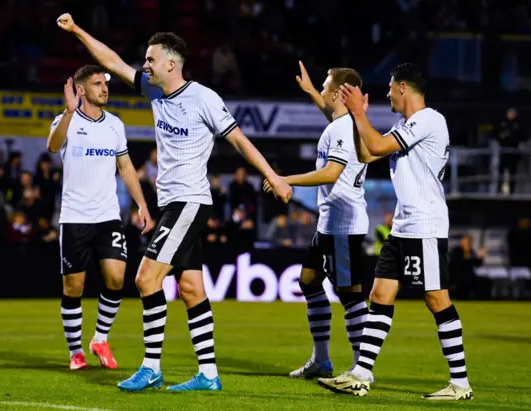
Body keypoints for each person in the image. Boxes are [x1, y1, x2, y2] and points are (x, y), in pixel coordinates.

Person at [57, 13, 292, 392]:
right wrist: (78, 31)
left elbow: (239, 141)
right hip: (172, 205)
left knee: (145, 278)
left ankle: (151, 367)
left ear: (170, 63)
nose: (144, 65)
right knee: (193, 290)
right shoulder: (154, 92)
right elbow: (111, 62)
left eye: (150, 59)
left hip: (190, 202)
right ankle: (209, 375)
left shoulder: (203, 98)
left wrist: (273, 176)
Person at [318, 63, 474, 401]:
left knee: (436, 299)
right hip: (403, 227)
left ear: (403, 87)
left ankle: (460, 383)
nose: (387, 94)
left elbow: (374, 145)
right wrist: (357, 118)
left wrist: (359, 113)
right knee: (380, 296)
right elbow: (367, 151)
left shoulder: (429, 120)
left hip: (425, 225)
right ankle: (361, 373)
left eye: (390, 88)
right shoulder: (405, 124)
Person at [264, 64, 369, 380]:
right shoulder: (344, 124)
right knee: (308, 281)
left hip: (343, 223)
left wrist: (285, 179)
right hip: (330, 222)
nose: (323, 91)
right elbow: (330, 112)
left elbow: (331, 173)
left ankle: (359, 368)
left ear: (339, 92)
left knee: (350, 294)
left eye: (325, 87)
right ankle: (321, 360)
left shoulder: (341, 128)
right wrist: (311, 91)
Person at [47, 64, 154, 371]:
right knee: (73, 288)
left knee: (117, 277)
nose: (104, 88)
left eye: (105, 84)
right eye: (96, 84)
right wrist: (68, 112)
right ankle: (75, 352)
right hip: (75, 218)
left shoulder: (115, 126)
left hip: (108, 216)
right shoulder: (65, 120)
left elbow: (126, 167)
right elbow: (53, 146)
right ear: (81, 90)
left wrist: (142, 205)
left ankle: (100, 338)